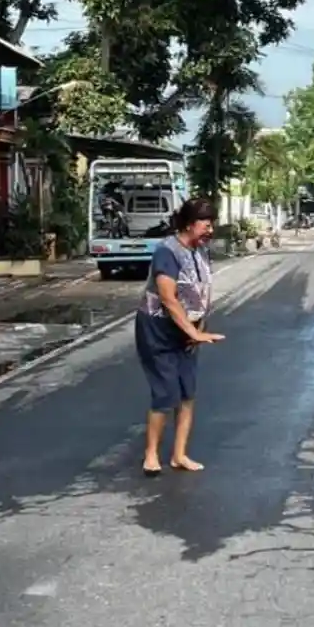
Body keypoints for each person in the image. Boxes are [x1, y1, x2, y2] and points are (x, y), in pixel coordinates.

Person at [135, 197, 224, 476]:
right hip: (159, 330)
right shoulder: (167, 251)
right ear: (189, 224)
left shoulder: (199, 250)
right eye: (206, 225)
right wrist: (193, 332)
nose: (210, 231)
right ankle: (151, 455)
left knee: (187, 392)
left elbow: (201, 291)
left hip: (188, 332)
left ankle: (179, 455)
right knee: (165, 392)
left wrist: (199, 328)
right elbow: (168, 299)